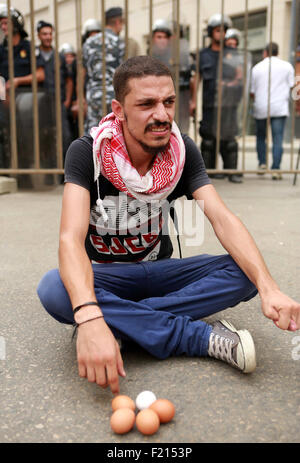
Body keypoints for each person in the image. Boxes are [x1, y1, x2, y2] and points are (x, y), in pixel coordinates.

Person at [37, 56, 300, 395]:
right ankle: (196, 336)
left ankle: (123, 324)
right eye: (146, 104)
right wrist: (89, 313)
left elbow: (221, 218)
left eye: (169, 102)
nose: (161, 115)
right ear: (119, 109)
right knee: (54, 287)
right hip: (106, 276)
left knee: (248, 270)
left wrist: (269, 288)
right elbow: (69, 239)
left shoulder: (181, 150)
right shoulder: (88, 151)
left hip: (161, 273)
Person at [190, 14, 243, 183]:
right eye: (218, 30)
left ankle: (231, 171)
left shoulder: (233, 54)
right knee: (208, 140)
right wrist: (192, 101)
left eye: (224, 31)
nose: (221, 34)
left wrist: (231, 84)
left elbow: (240, 76)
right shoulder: (203, 54)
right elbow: (196, 78)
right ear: (211, 32)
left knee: (229, 139)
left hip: (229, 102)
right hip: (209, 103)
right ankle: (209, 172)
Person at [0, 6, 45, 177]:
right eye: (1, 24)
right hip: (6, 101)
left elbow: (40, 74)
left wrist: (18, 81)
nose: (3, 27)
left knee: (26, 138)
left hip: (27, 102)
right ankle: (6, 173)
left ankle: (26, 174)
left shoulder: (29, 47)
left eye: (6, 23)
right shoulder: (1, 49)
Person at [250, 42, 295, 180]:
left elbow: (252, 91)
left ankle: (262, 163)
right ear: (277, 52)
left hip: (262, 106)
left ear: (265, 52)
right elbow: (292, 85)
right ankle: (276, 168)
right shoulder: (287, 66)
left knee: (261, 137)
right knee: (278, 137)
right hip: (279, 107)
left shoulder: (257, 68)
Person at [36, 20, 73, 169]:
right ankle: (47, 170)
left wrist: (68, 101)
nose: (48, 37)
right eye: (44, 34)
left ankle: (64, 171)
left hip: (59, 101)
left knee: (65, 137)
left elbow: (69, 80)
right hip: (39, 103)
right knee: (43, 137)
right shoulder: (34, 55)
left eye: (50, 33)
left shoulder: (60, 57)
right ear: (38, 35)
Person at [82, 7, 125, 134]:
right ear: (117, 22)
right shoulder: (119, 42)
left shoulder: (88, 42)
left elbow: (82, 72)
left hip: (93, 95)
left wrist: (82, 98)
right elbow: (125, 72)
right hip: (114, 96)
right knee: (113, 132)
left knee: (93, 133)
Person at [151, 19, 192, 134]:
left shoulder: (179, 59)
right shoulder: (148, 58)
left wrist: (191, 102)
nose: (162, 41)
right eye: (159, 37)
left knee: (181, 135)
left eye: (165, 38)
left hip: (179, 103)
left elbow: (189, 80)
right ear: (153, 38)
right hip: (157, 105)